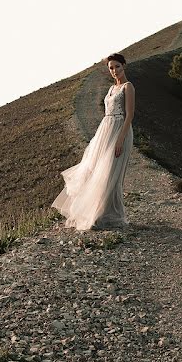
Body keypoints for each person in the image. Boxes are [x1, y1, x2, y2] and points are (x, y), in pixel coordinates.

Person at [52, 53, 135, 231]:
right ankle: (97, 214)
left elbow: (130, 116)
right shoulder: (111, 89)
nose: (114, 71)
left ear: (124, 66)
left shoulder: (128, 87)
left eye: (117, 67)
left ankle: (112, 215)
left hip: (120, 130)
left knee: (111, 173)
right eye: (111, 68)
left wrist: (120, 139)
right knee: (98, 171)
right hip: (106, 130)